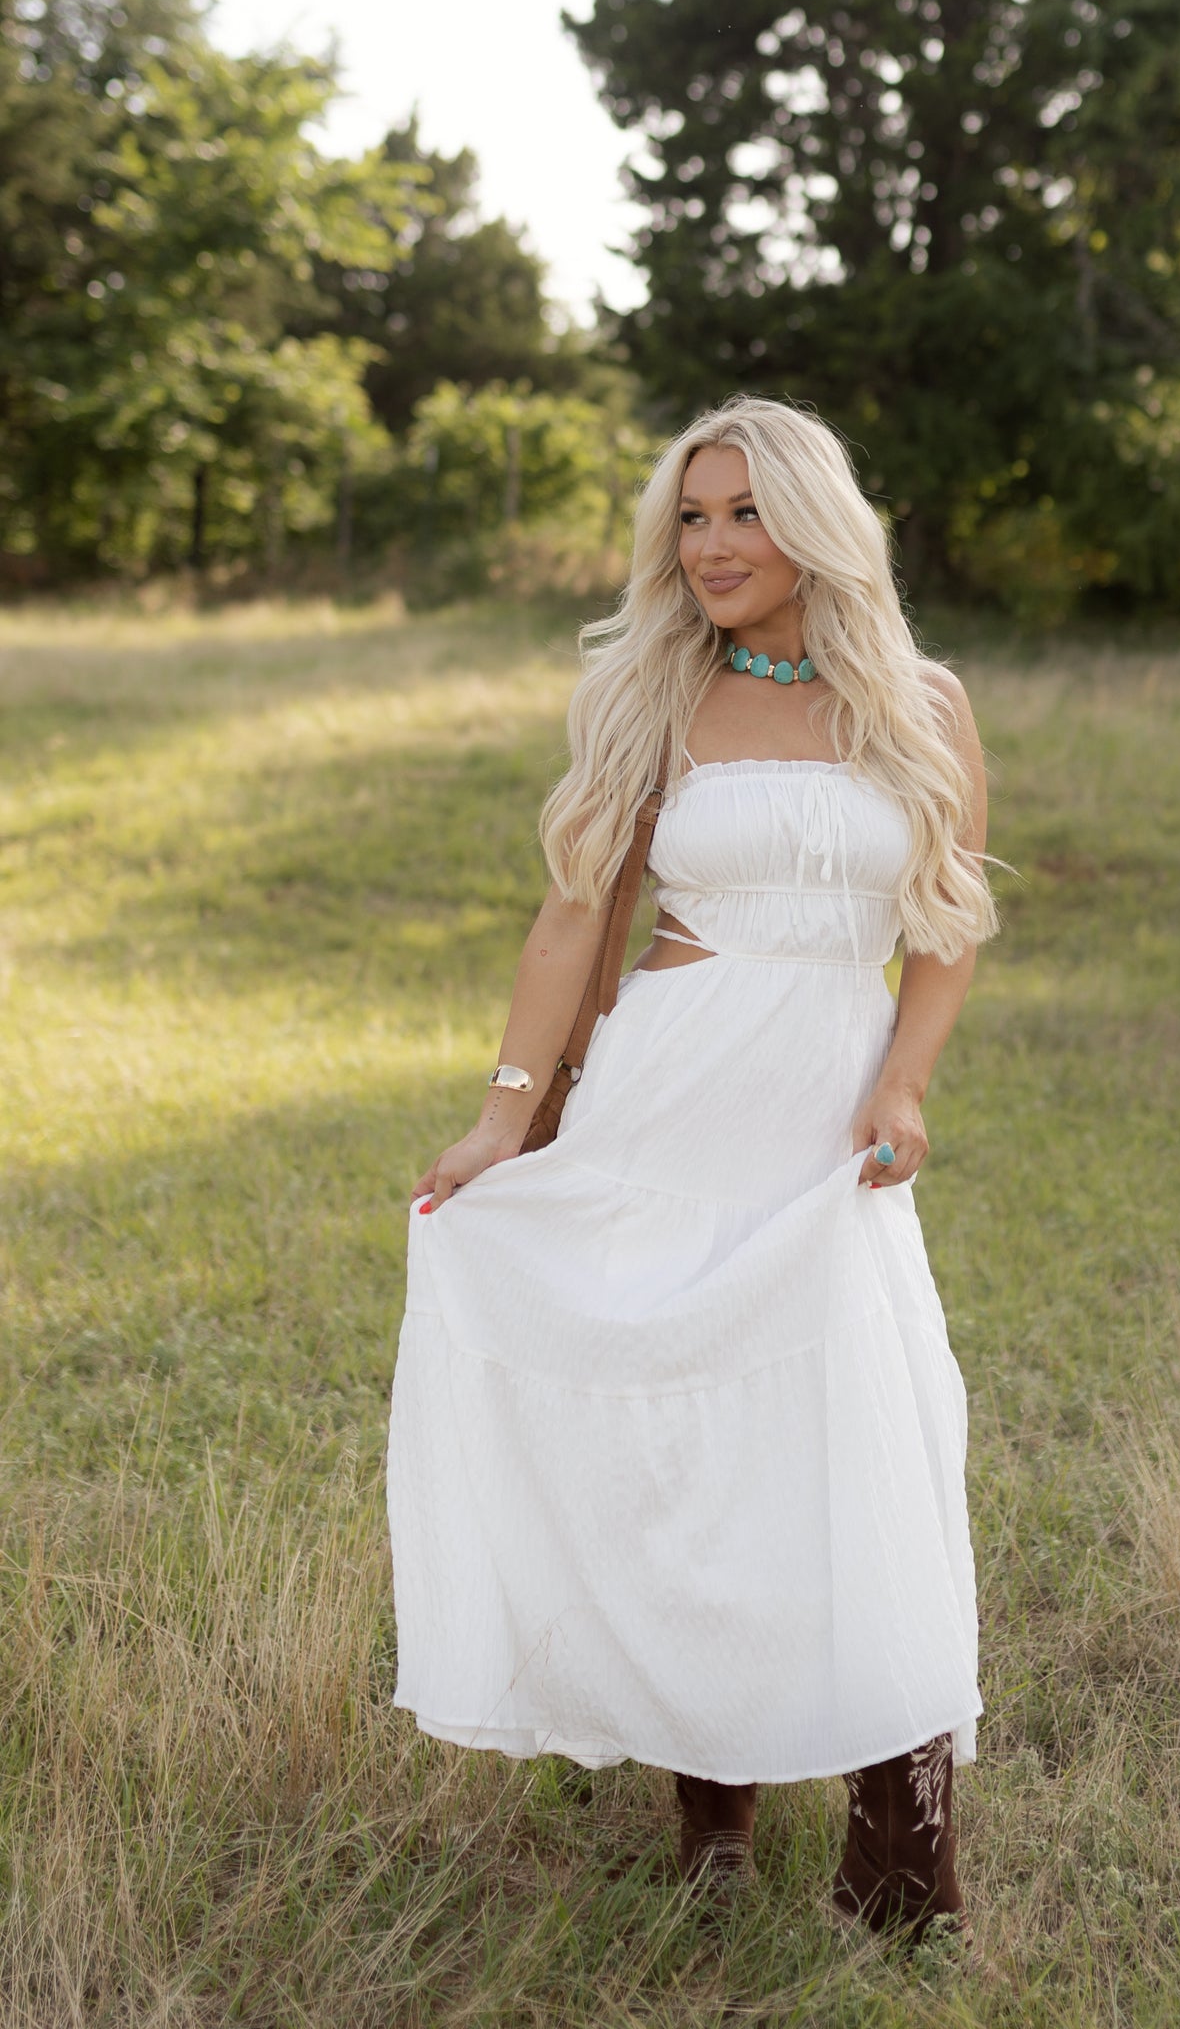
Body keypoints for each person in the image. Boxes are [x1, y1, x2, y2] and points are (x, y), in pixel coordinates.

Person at [386, 395, 999, 1947]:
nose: (713, 545)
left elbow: (946, 922)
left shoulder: (923, 704)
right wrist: (503, 1117)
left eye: (743, 512)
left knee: (862, 1435)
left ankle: (897, 1847)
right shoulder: (655, 697)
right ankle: (709, 1807)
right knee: (681, 1445)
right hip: (668, 1102)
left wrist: (906, 1083)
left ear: (816, 523)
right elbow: (570, 922)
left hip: (824, 1132)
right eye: (691, 517)